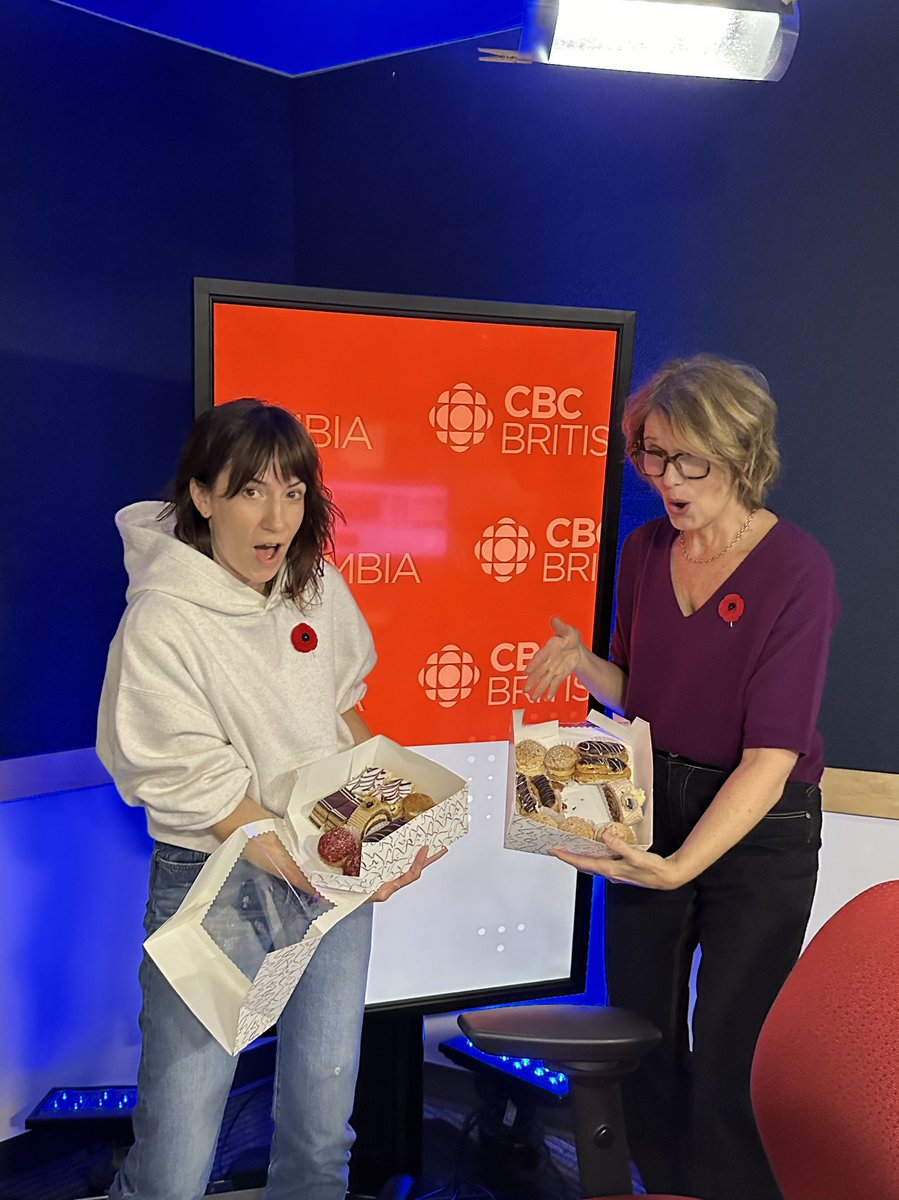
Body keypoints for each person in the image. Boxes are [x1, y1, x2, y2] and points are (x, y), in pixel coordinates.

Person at [97, 398, 442, 1200]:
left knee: (322, 1135)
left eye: (293, 492)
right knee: (175, 1163)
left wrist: (387, 827)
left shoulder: (312, 586)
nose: (275, 516)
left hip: (327, 875)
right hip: (216, 882)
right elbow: (178, 766)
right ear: (203, 495)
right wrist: (307, 860)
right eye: (250, 490)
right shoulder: (163, 617)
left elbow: (341, 709)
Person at [524, 355, 839, 1200]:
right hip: (655, 794)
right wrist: (584, 665)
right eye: (652, 456)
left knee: (733, 1053)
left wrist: (679, 867)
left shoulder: (796, 571)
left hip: (757, 823)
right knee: (642, 1038)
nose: (666, 478)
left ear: (741, 456)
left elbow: (769, 758)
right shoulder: (642, 549)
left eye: (687, 460)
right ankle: (663, 1189)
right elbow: (648, 698)